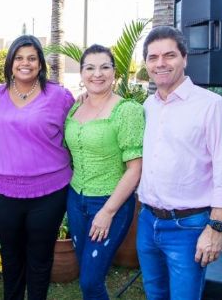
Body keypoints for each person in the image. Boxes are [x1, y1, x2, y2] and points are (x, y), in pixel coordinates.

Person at [137, 26, 222, 300]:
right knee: (155, 294)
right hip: (147, 222)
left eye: (169, 55)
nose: (160, 63)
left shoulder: (211, 105)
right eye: (153, 57)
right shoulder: (148, 106)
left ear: (184, 58)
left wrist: (216, 228)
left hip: (189, 228)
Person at [0, 35, 74, 300]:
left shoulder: (59, 95)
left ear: (40, 64)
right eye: (19, 58)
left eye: (32, 58)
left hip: (49, 194)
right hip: (1, 193)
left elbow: (76, 133)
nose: (25, 63)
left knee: (40, 257)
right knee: (11, 256)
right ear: (10, 63)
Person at [63, 44, 144, 299]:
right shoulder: (76, 107)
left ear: (114, 72)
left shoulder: (126, 110)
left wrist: (107, 212)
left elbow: (135, 168)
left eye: (104, 67)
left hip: (111, 203)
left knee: (90, 280)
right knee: (87, 273)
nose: (97, 74)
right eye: (90, 68)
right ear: (82, 73)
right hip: (76, 200)